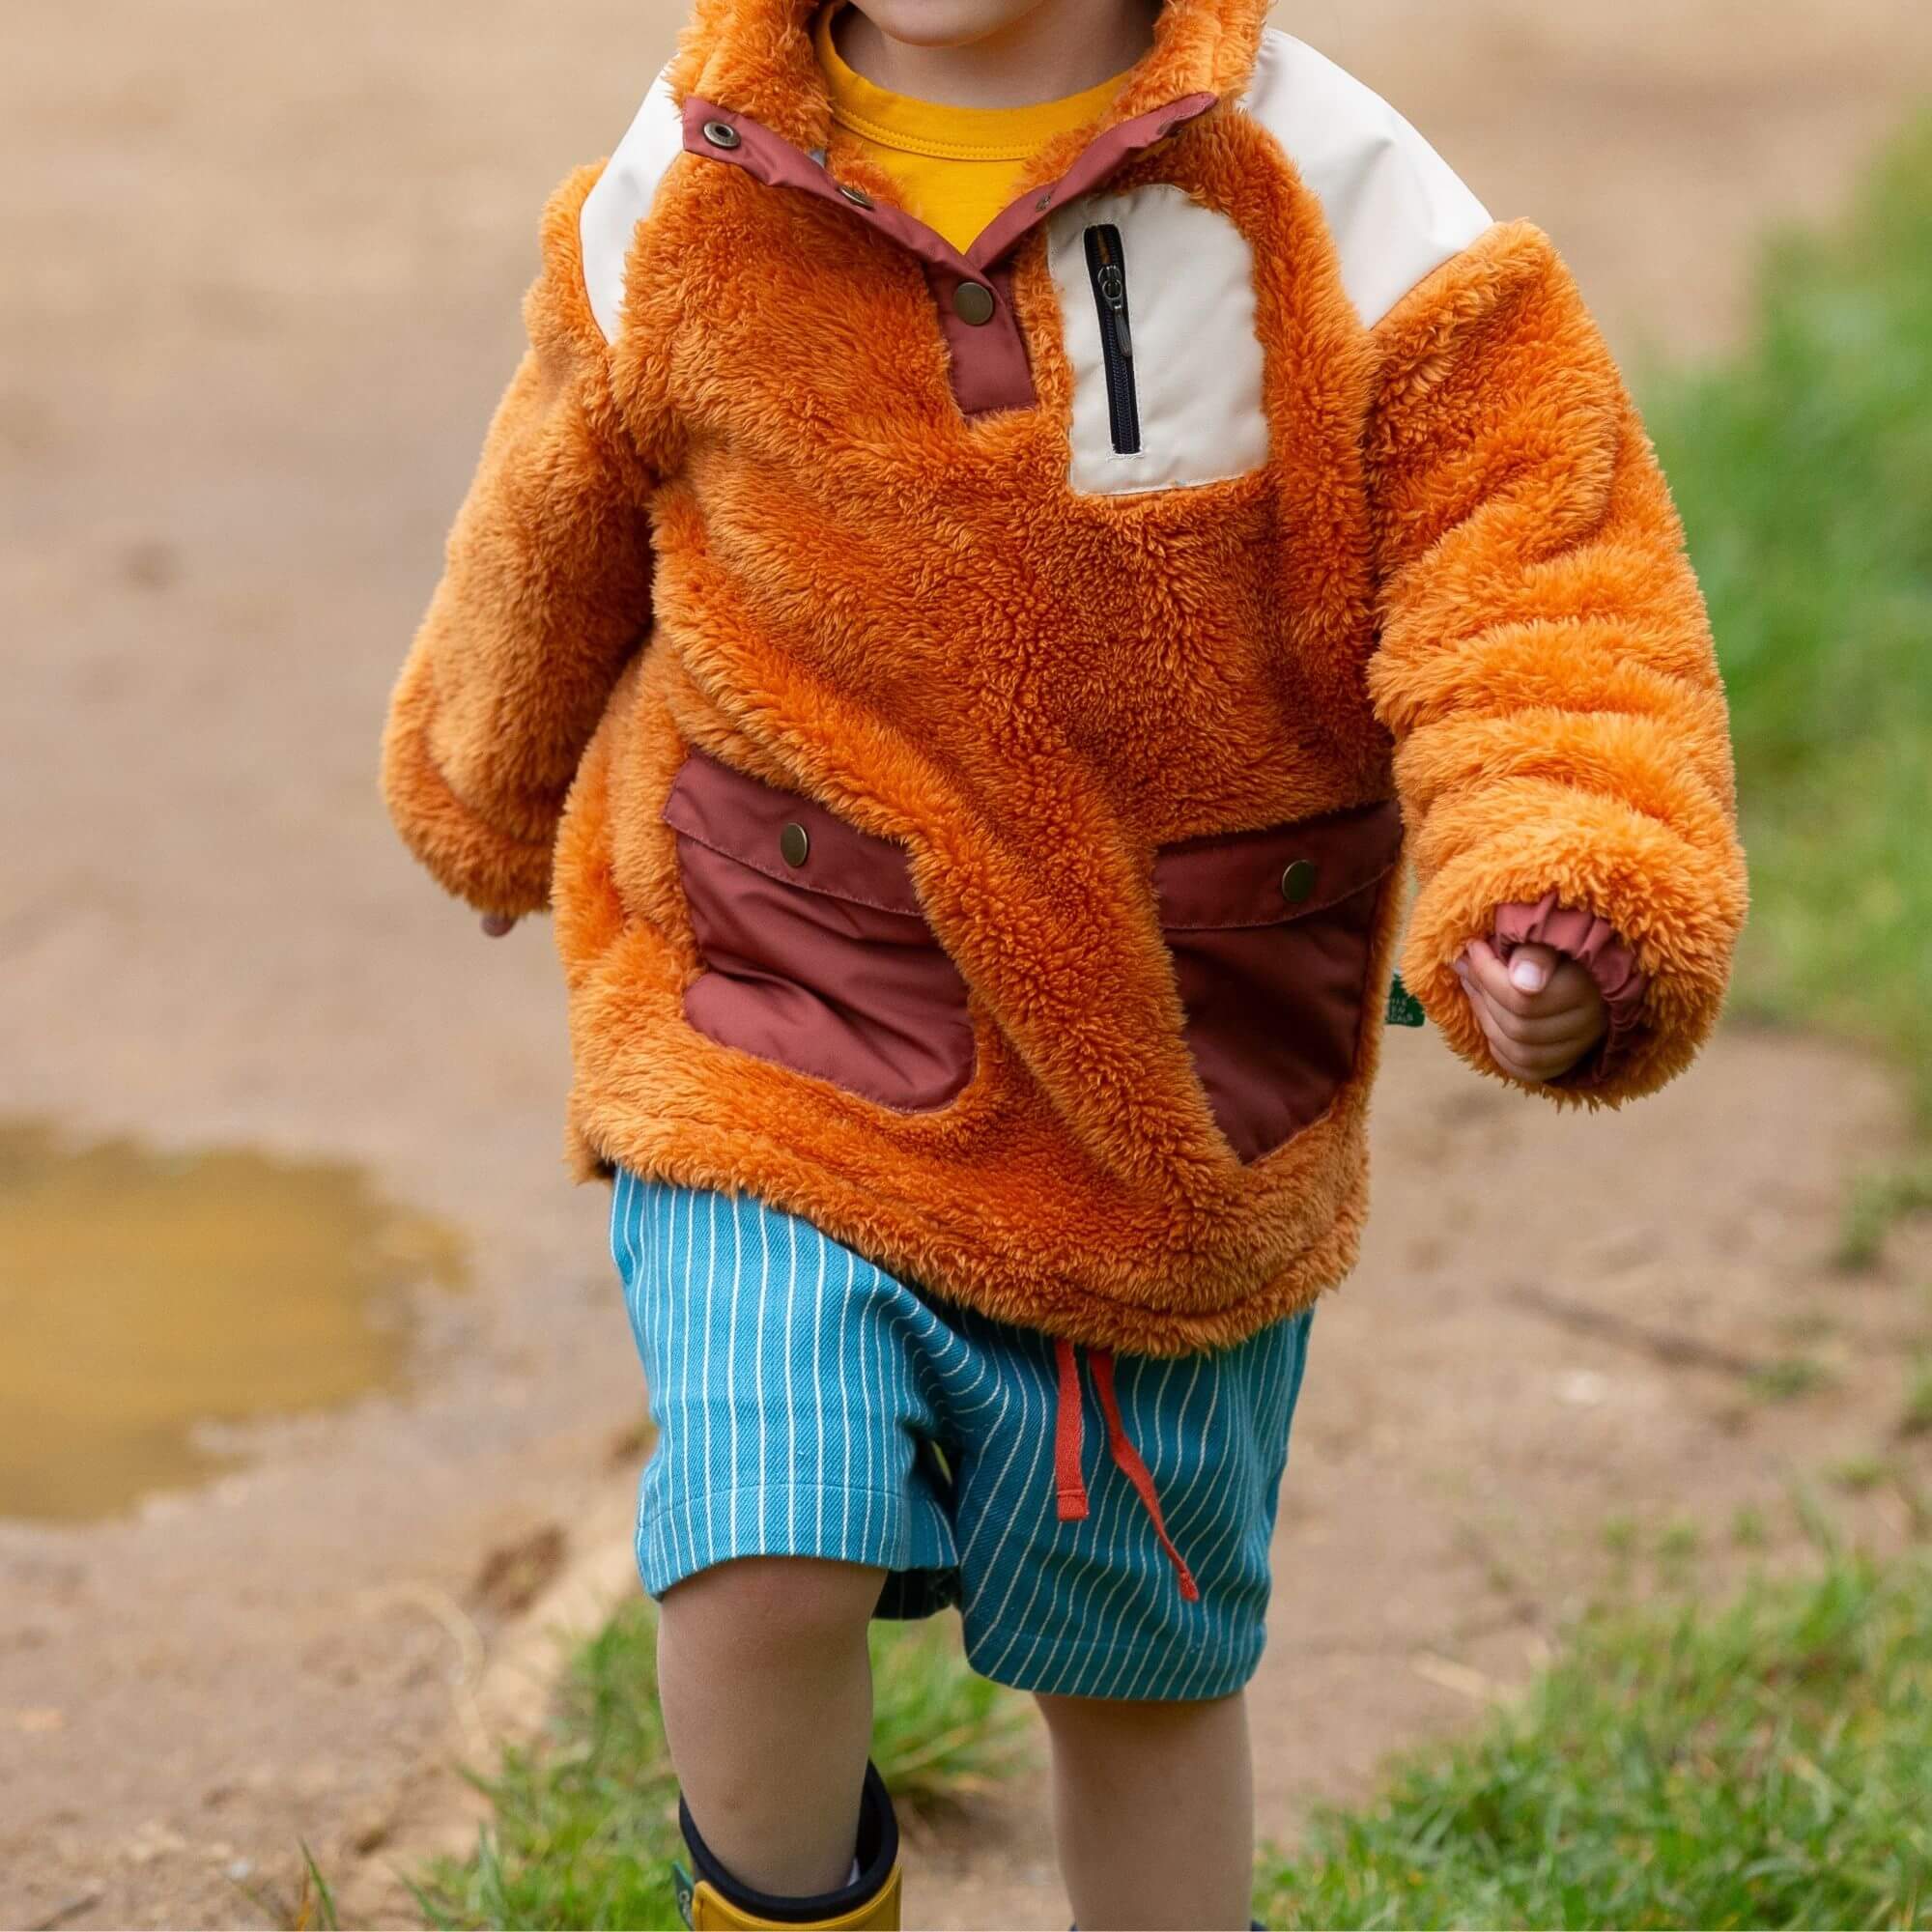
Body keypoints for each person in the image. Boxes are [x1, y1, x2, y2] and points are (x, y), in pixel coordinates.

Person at [379, 0, 1747, 1920]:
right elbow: (563, 477)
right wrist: (481, 769)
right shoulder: (699, 164)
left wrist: (1563, 866)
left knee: (1138, 1668)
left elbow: (1535, 575)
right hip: (777, 1005)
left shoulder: (1332, 195)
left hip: (1158, 1093)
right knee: (759, 1540)